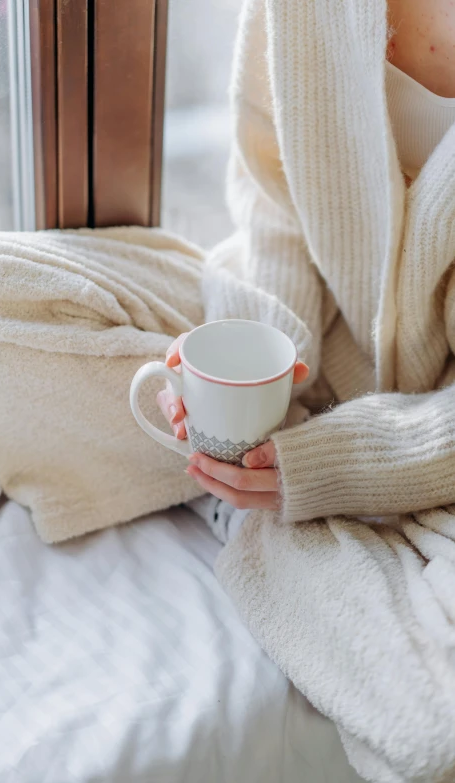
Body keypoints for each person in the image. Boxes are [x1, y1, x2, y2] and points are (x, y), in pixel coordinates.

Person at [157, 0, 455, 543]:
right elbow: (272, 204)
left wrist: (339, 466)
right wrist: (249, 356)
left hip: (433, 432)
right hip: (316, 344)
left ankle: (267, 520)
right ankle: (241, 494)